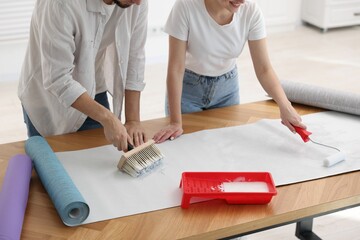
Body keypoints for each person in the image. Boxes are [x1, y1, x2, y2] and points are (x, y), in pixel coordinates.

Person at [153, 0, 306, 143]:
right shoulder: (186, 6)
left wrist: (285, 106)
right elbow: (176, 69)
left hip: (226, 90)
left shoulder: (251, 12)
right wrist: (175, 122)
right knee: (187, 147)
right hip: (187, 92)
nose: (242, 1)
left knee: (227, 146)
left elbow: (264, 69)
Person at [18, 0, 148, 151]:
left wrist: (133, 120)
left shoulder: (137, 2)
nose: (139, 2)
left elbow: (135, 57)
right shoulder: (60, 4)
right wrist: (108, 118)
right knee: (51, 163)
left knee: (98, 161)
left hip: (94, 86)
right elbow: (58, 78)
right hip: (47, 97)